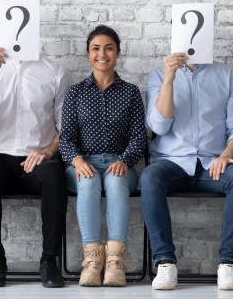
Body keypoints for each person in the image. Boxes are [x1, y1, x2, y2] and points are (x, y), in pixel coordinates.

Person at [0, 0, 69, 288]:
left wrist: (49, 151)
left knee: (54, 173)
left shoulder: (54, 70)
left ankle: (49, 261)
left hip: (37, 157)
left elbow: (66, 128)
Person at [141, 52, 233, 291]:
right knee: (149, 177)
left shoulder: (228, 75)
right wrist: (169, 79)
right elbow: (159, 126)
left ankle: (229, 262)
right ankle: (164, 261)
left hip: (213, 163)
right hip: (172, 162)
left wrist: (226, 155)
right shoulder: (158, 75)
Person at [60, 25, 146, 287]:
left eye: (109, 48)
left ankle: (115, 262)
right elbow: (65, 138)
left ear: (118, 53)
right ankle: (93, 260)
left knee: (116, 182)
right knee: (88, 182)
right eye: (96, 48)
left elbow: (139, 137)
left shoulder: (130, 92)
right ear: (88, 54)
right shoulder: (75, 93)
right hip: (83, 163)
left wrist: (124, 160)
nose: (102, 54)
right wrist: (77, 161)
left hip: (121, 163)